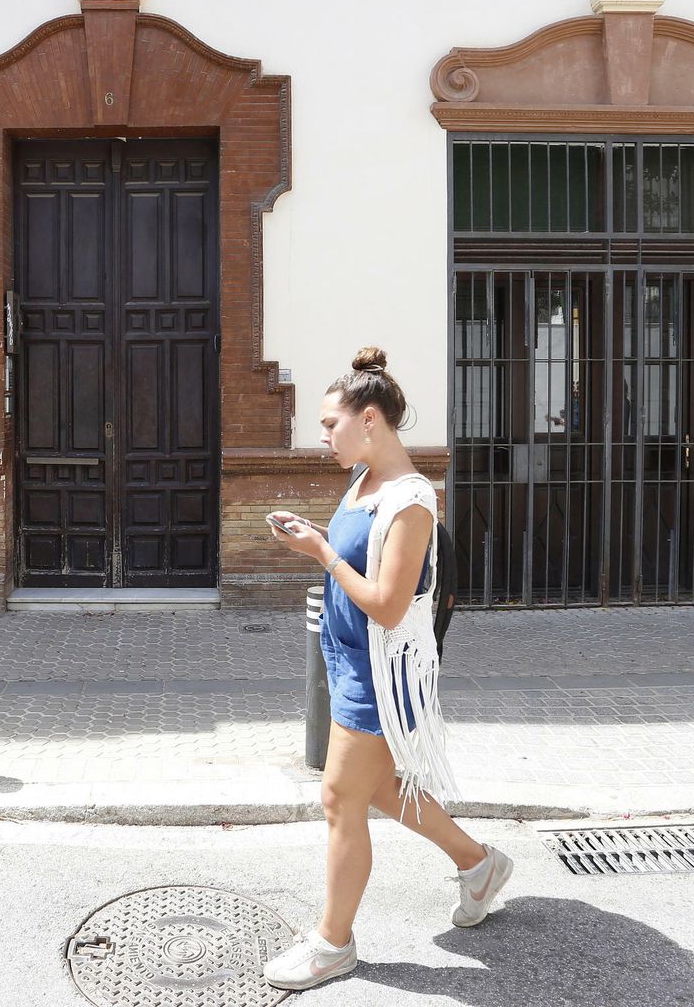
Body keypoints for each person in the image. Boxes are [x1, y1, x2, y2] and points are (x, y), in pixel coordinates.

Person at [261, 347, 512, 993]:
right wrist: (317, 535)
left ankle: (332, 944)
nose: (322, 436)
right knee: (375, 789)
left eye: (330, 423)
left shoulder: (410, 501)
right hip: (346, 658)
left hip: (376, 671)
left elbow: (387, 602)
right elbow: (358, 555)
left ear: (369, 418)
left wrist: (319, 552)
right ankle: (477, 863)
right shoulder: (365, 479)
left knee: (341, 797)